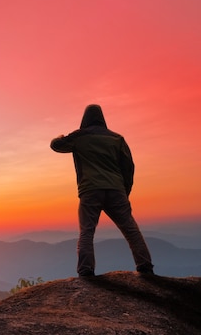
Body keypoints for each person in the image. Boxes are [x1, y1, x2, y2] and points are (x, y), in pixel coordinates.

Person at [50, 104, 154, 277]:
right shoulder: (116, 138)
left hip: (90, 190)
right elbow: (128, 167)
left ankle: (85, 270)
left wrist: (61, 135)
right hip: (116, 189)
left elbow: (56, 145)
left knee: (87, 231)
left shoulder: (79, 136)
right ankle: (145, 266)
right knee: (131, 230)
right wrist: (124, 191)